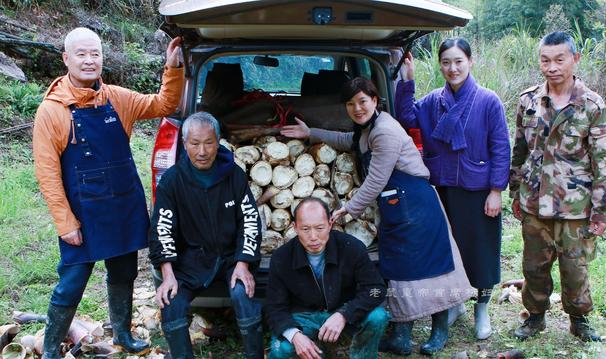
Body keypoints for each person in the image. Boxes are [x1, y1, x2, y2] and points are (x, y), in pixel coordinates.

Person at [280, 78, 473, 355]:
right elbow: (348, 141)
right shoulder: (366, 128)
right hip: (396, 206)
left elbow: (376, 180)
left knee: (431, 269)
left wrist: (349, 208)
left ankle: (439, 331)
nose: (357, 108)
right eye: (350, 103)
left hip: (417, 206)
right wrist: (311, 132)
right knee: (399, 271)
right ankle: (401, 338)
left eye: (362, 101)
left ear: (375, 100)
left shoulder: (385, 131)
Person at [32, 27, 183, 358]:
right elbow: (47, 173)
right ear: (66, 59)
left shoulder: (117, 97)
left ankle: (123, 335)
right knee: (72, 281)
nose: (89, 61)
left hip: (122, 205)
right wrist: (64, 222)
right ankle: (50, 349)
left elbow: (164, 103)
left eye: (95, 54)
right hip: (82, 212)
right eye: (82, 54)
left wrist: (173, 67)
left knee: (125, 272)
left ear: (102, 57)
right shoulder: (52, 111)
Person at [394, 38, 511, 340]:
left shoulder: (488, 101)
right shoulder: (433, 101)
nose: (452, 68)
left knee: (481, 252)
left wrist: (496, 190)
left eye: (458, 61)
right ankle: (454, 303)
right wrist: (408, 81)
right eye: (446, 62)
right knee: (449, 251)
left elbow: (501, 148)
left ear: (470, 62)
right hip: (442, 188)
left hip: (478, 191)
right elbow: (406, 117)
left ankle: (481, 308)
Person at [509, 31, 606, 342]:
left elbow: (602, 162)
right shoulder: (528, 101)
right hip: (534, 201)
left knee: (575, 268)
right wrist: (515, 192)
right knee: (533, 266)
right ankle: (535, 317)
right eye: (545, 60)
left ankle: (579, 320)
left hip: (575, 205)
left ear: (574, 59)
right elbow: (519, 151)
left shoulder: (591, 105)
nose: (551, 67)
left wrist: (601, 211)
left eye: (559, 59)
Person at [148, 112, 264, 358]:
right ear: (184, 144)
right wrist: (168, 274)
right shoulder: (172, 180)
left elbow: (250, 220)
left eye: (209, 143)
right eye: (194, 143)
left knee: (243, 293)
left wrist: (244, 263)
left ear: (218, 141)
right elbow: (162, 228)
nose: (202, 151)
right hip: (191, 260)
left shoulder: (234, 175)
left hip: (232, 257)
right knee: (171, 303)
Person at [266, 197, 389, 359]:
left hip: (343, 310)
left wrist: (345, 313)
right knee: (281, 349)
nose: (313, 236)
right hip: (304, 316)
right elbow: (275, 307)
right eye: (305, 229)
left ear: (330, 224)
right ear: (295, 228)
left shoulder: (351, 247)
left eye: (319, 228)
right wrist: (294, 334)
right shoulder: (281, 258)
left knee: (378, 316)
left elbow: (376, 289)